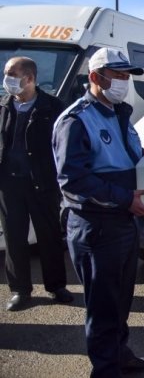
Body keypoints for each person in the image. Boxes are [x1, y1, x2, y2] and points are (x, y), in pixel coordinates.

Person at [52, 48, 144, 376]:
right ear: (97, 77)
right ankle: (105, 368)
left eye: (128, 76)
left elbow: (127, 153)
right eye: (119, 75)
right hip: (96, 226)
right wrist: (124, 198)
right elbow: (73, 179)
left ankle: (119, 355)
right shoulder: (76, 119)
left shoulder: (119, 112)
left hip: (124, 222)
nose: (125, 82)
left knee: (120, 299)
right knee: (102, 306)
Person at [1, 56, 73, 311]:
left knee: (50, 236)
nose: (6, 79)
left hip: (42, 183)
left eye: (11, 74)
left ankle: (56, 286)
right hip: (9, 184)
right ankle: (20, 290)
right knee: (14, 238)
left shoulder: (53, 107)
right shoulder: (4, 105)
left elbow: (64, 145)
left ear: (29, 78)